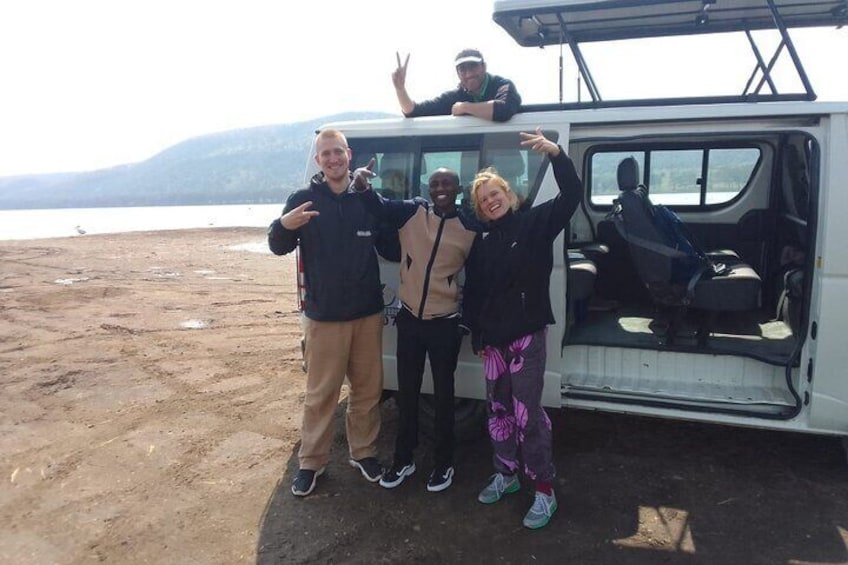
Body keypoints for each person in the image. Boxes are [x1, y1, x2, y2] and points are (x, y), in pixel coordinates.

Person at [461, 128, 583, 529]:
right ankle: (506, 474)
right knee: (498, 412)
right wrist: (478, 335)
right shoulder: (482, 243)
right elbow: (475, 293)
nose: (491, 201)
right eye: (483, 199)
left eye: (495, 193)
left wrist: (557, 156)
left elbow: (571, 198)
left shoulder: (535, 223)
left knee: (527, 413)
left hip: (526, 336)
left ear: (508, 195)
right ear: (479, 209)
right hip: (494, 343)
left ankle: (544, 490)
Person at [267, 128, 385, 497]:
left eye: (338, 152)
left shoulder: (365, 198)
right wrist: (283, 225)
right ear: (318, 160)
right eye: (326, 154)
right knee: (321, 395)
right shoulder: (304, 199)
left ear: (349, 154)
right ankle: (311, 462)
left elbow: (392, 242)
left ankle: (363, 453)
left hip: (367, 314)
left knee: (367, 392)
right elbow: (277, 245)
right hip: (324, 317)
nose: (333, 159)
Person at [354, 167, 478, 492]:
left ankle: (443, 464)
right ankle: (403, 460)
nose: (440, 188)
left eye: (447, 183)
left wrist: (466, 321)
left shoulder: (469, 227)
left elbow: (479, 279)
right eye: (435, 183)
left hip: (445, 324)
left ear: (458, 188)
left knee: (444, 397)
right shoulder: (412, 212)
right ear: (428, 186)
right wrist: (362, 185)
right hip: (409, 319)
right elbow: (379, 206)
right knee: (407, 396)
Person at [392, 48, 522, 122]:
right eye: (463, 69)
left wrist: (465, 108)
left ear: (484, 67)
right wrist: (400, 89)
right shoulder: (454, 97)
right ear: (458, 73)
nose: (468, 73)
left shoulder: (502, 85)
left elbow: (504, 110)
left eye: (473, 66)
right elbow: (414, 112)